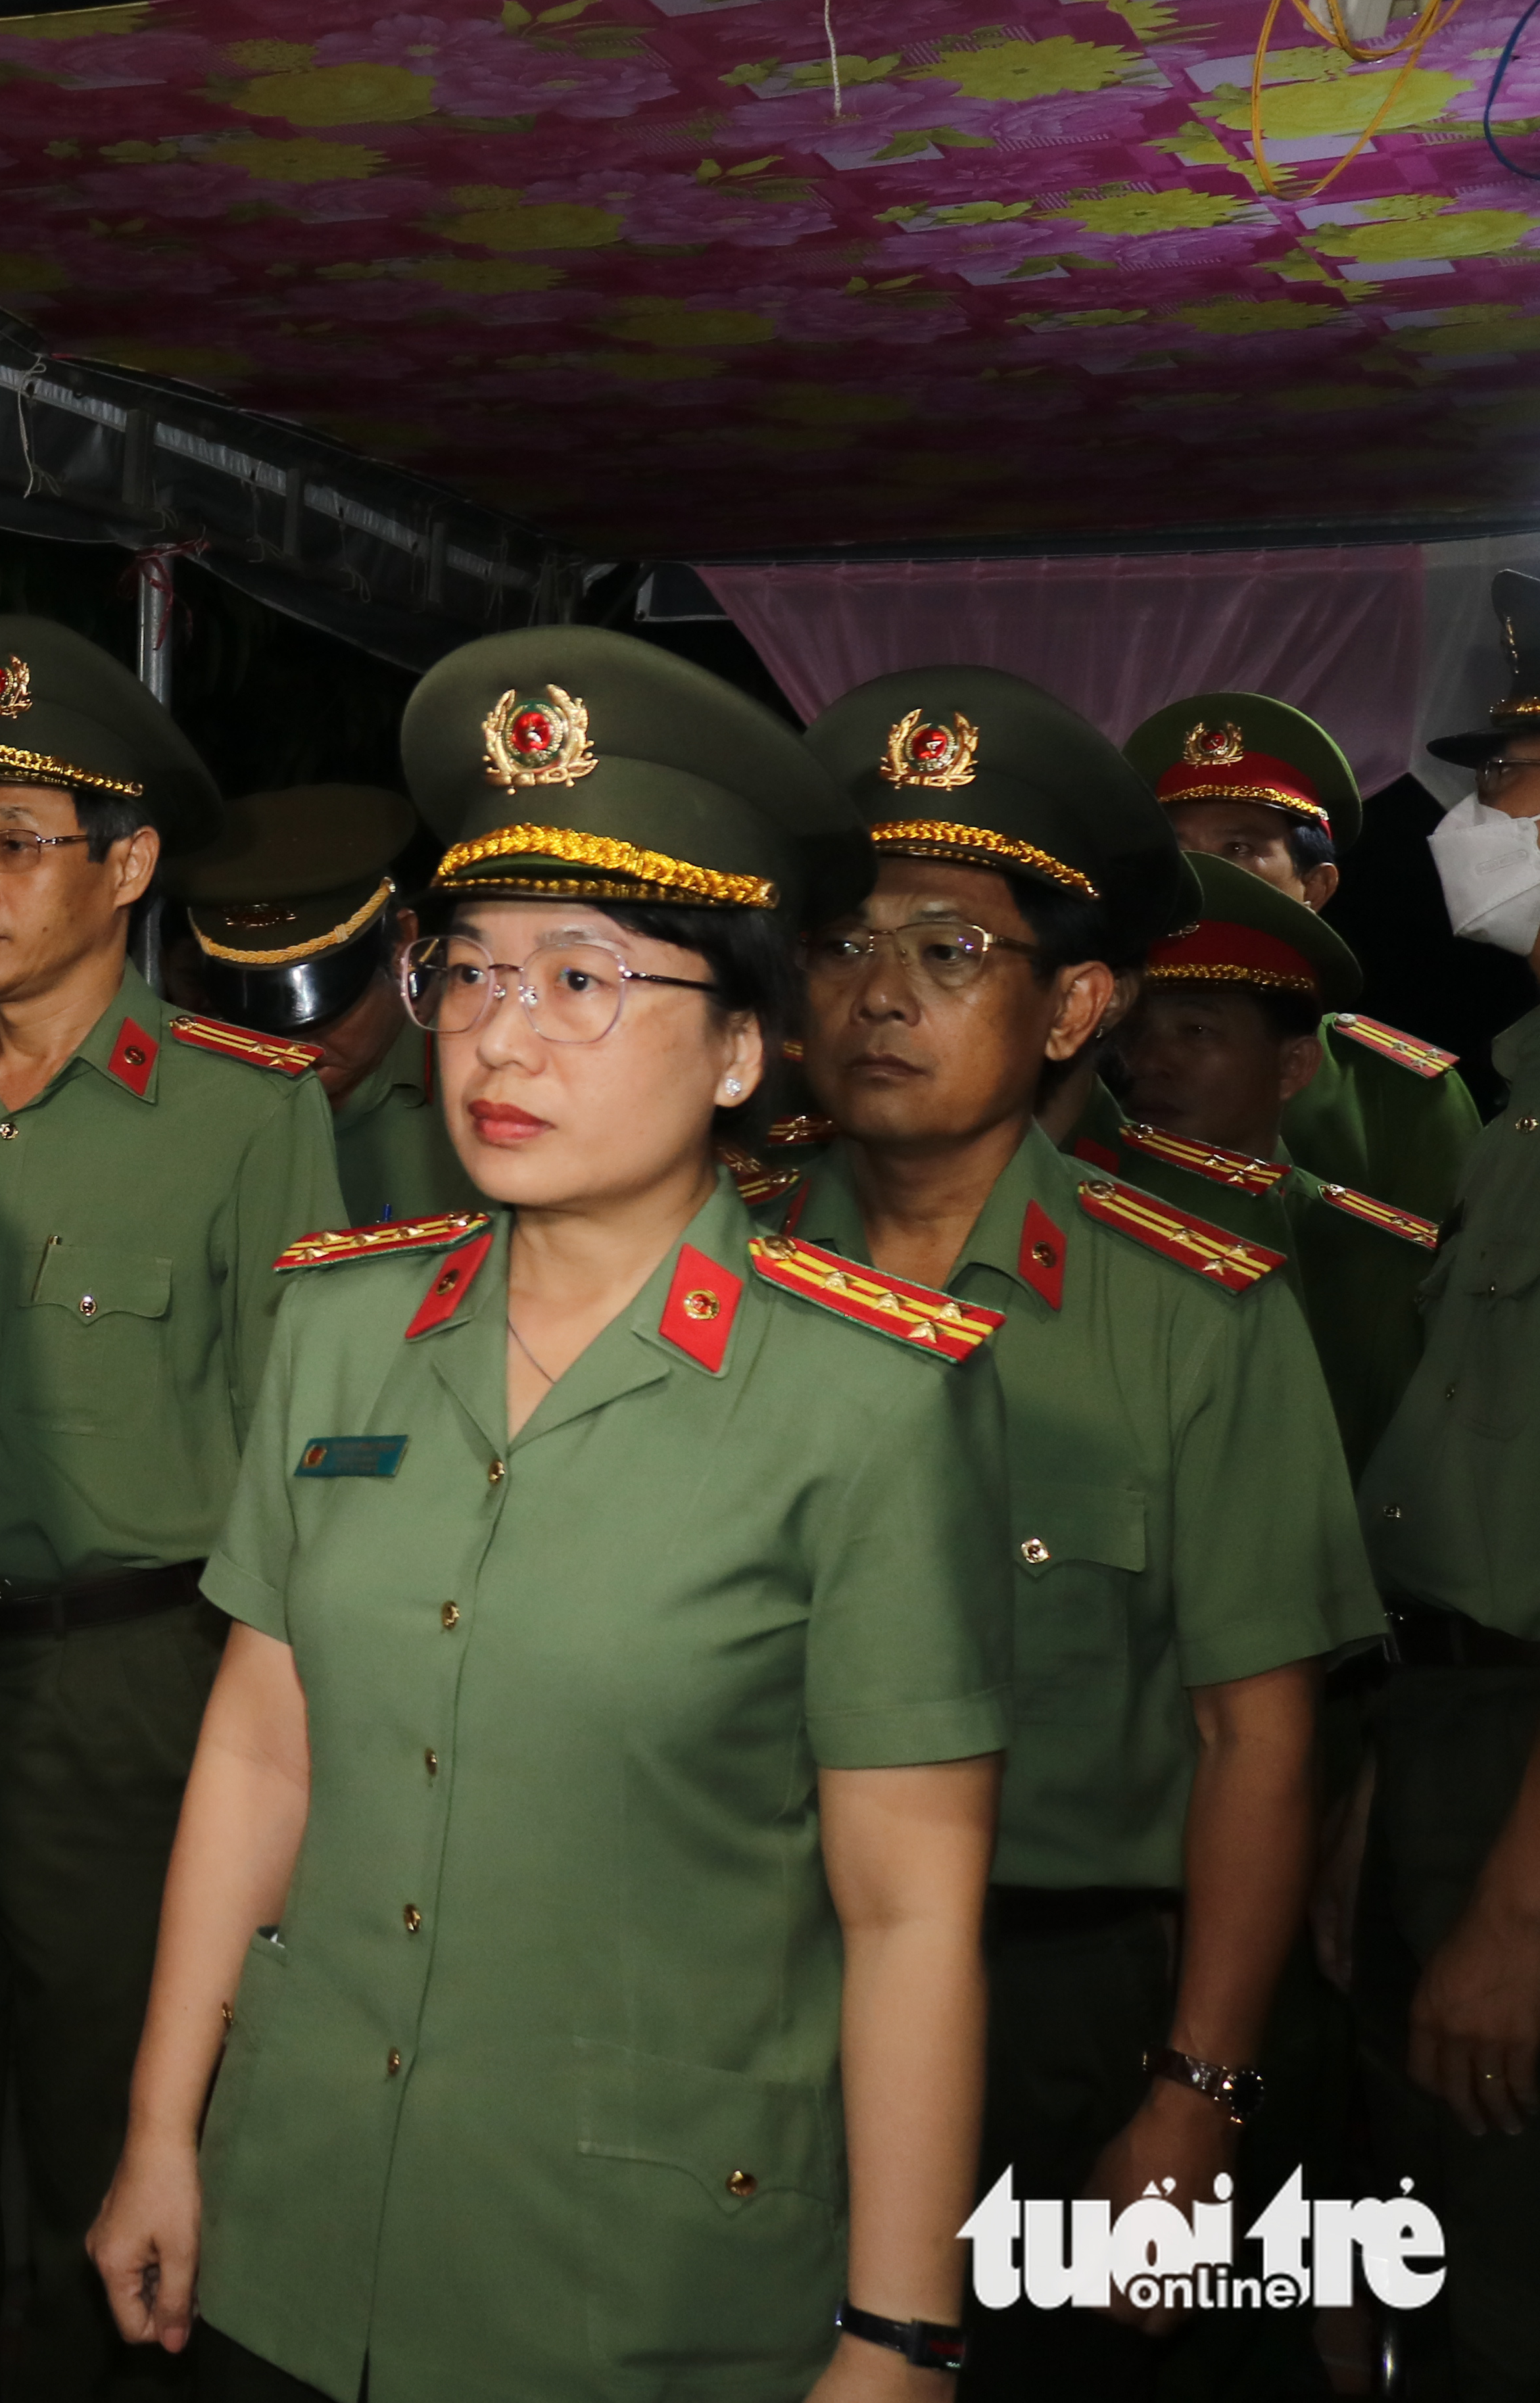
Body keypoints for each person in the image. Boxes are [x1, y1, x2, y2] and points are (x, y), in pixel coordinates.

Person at [87, 627, 1014, 2401]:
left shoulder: (869, 1404)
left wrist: (902, 2331)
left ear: (739, 1049)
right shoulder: (342, 1329)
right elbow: (263, 1752)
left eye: (582, 979)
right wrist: (161, 2127)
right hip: (300, 2226)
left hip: (632, 2280)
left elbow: (909, 1912)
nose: (501, 1036)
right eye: (472, 971)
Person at [777, 673, 1380, 2398]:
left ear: (1077, 1006)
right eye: (846, 943)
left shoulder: (1194, 1314)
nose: (883, 992)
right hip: (753, 1983)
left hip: (1064, 2012)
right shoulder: (708, 1277)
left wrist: (1198, 2099)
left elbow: (1258, 1740)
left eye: (953, 951)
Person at [0, 619, 344, 2403]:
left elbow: (298, 1459)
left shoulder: (245, 1116)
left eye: (18, 844)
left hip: (122, 1694)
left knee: (106, 2148)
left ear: (127, 869)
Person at [1344, 623, 1540, 2403]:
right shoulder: (1519, 1095)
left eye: (1529, 792)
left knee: (1500, 2279)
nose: (1486, 824)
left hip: (1517, 1771)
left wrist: (1517, 1912)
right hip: (1438, 1718)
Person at [1092, 857, 1437, 1471]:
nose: (1148, 1062)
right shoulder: (1066, 1214)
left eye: (1196, 1031)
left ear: (1294, 1067)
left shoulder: (1380, 1265)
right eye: (1130, 1030)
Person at [1124, 692, 1477, 1220]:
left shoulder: (1393, 1093)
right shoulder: (1084, 1054)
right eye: (1178, 850)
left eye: (1238, 849)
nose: (1199, 874)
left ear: (1316, 887)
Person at [167, 783, 473, 1226]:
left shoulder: (483, 1082)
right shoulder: (190, 1108)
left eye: (321, 1003)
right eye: (258, 1006)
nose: (288, 1040)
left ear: (400, 945)